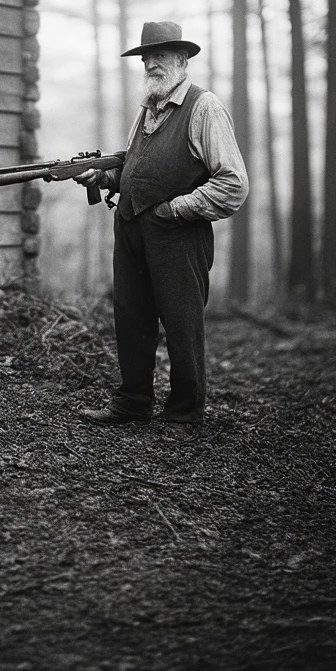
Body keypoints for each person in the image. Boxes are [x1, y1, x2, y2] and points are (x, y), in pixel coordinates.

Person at [74, 21, 248, 428]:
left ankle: (185, 412)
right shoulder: (147, 110)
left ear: (182, 61)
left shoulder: (204, 108)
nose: (151, 63)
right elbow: (138, 169)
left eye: (161, 56)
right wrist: (107, 178)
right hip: (132, 231)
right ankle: (133, 402)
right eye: (146, 57)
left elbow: (233, 184)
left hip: (178, 236)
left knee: (182, 324)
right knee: (131, 318)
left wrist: (176, 210)